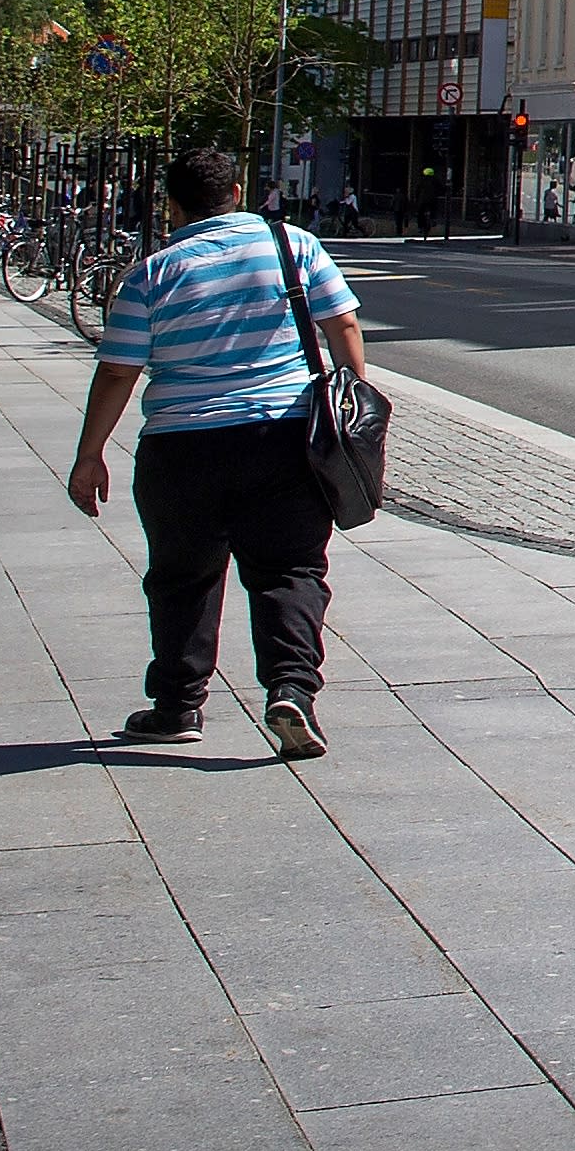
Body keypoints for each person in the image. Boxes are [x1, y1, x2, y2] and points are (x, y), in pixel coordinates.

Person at [65, 142, 370, 760]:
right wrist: (353, 401)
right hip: (284, 437)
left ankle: (177, 706)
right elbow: (342, 324)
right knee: (290, 569)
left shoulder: (151, 274)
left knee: (183, 575)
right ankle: (291, 690)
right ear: (236, 194)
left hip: (181, 448)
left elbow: (119, 370)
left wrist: (89, 453)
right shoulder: (294, 246)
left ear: (172, 206)